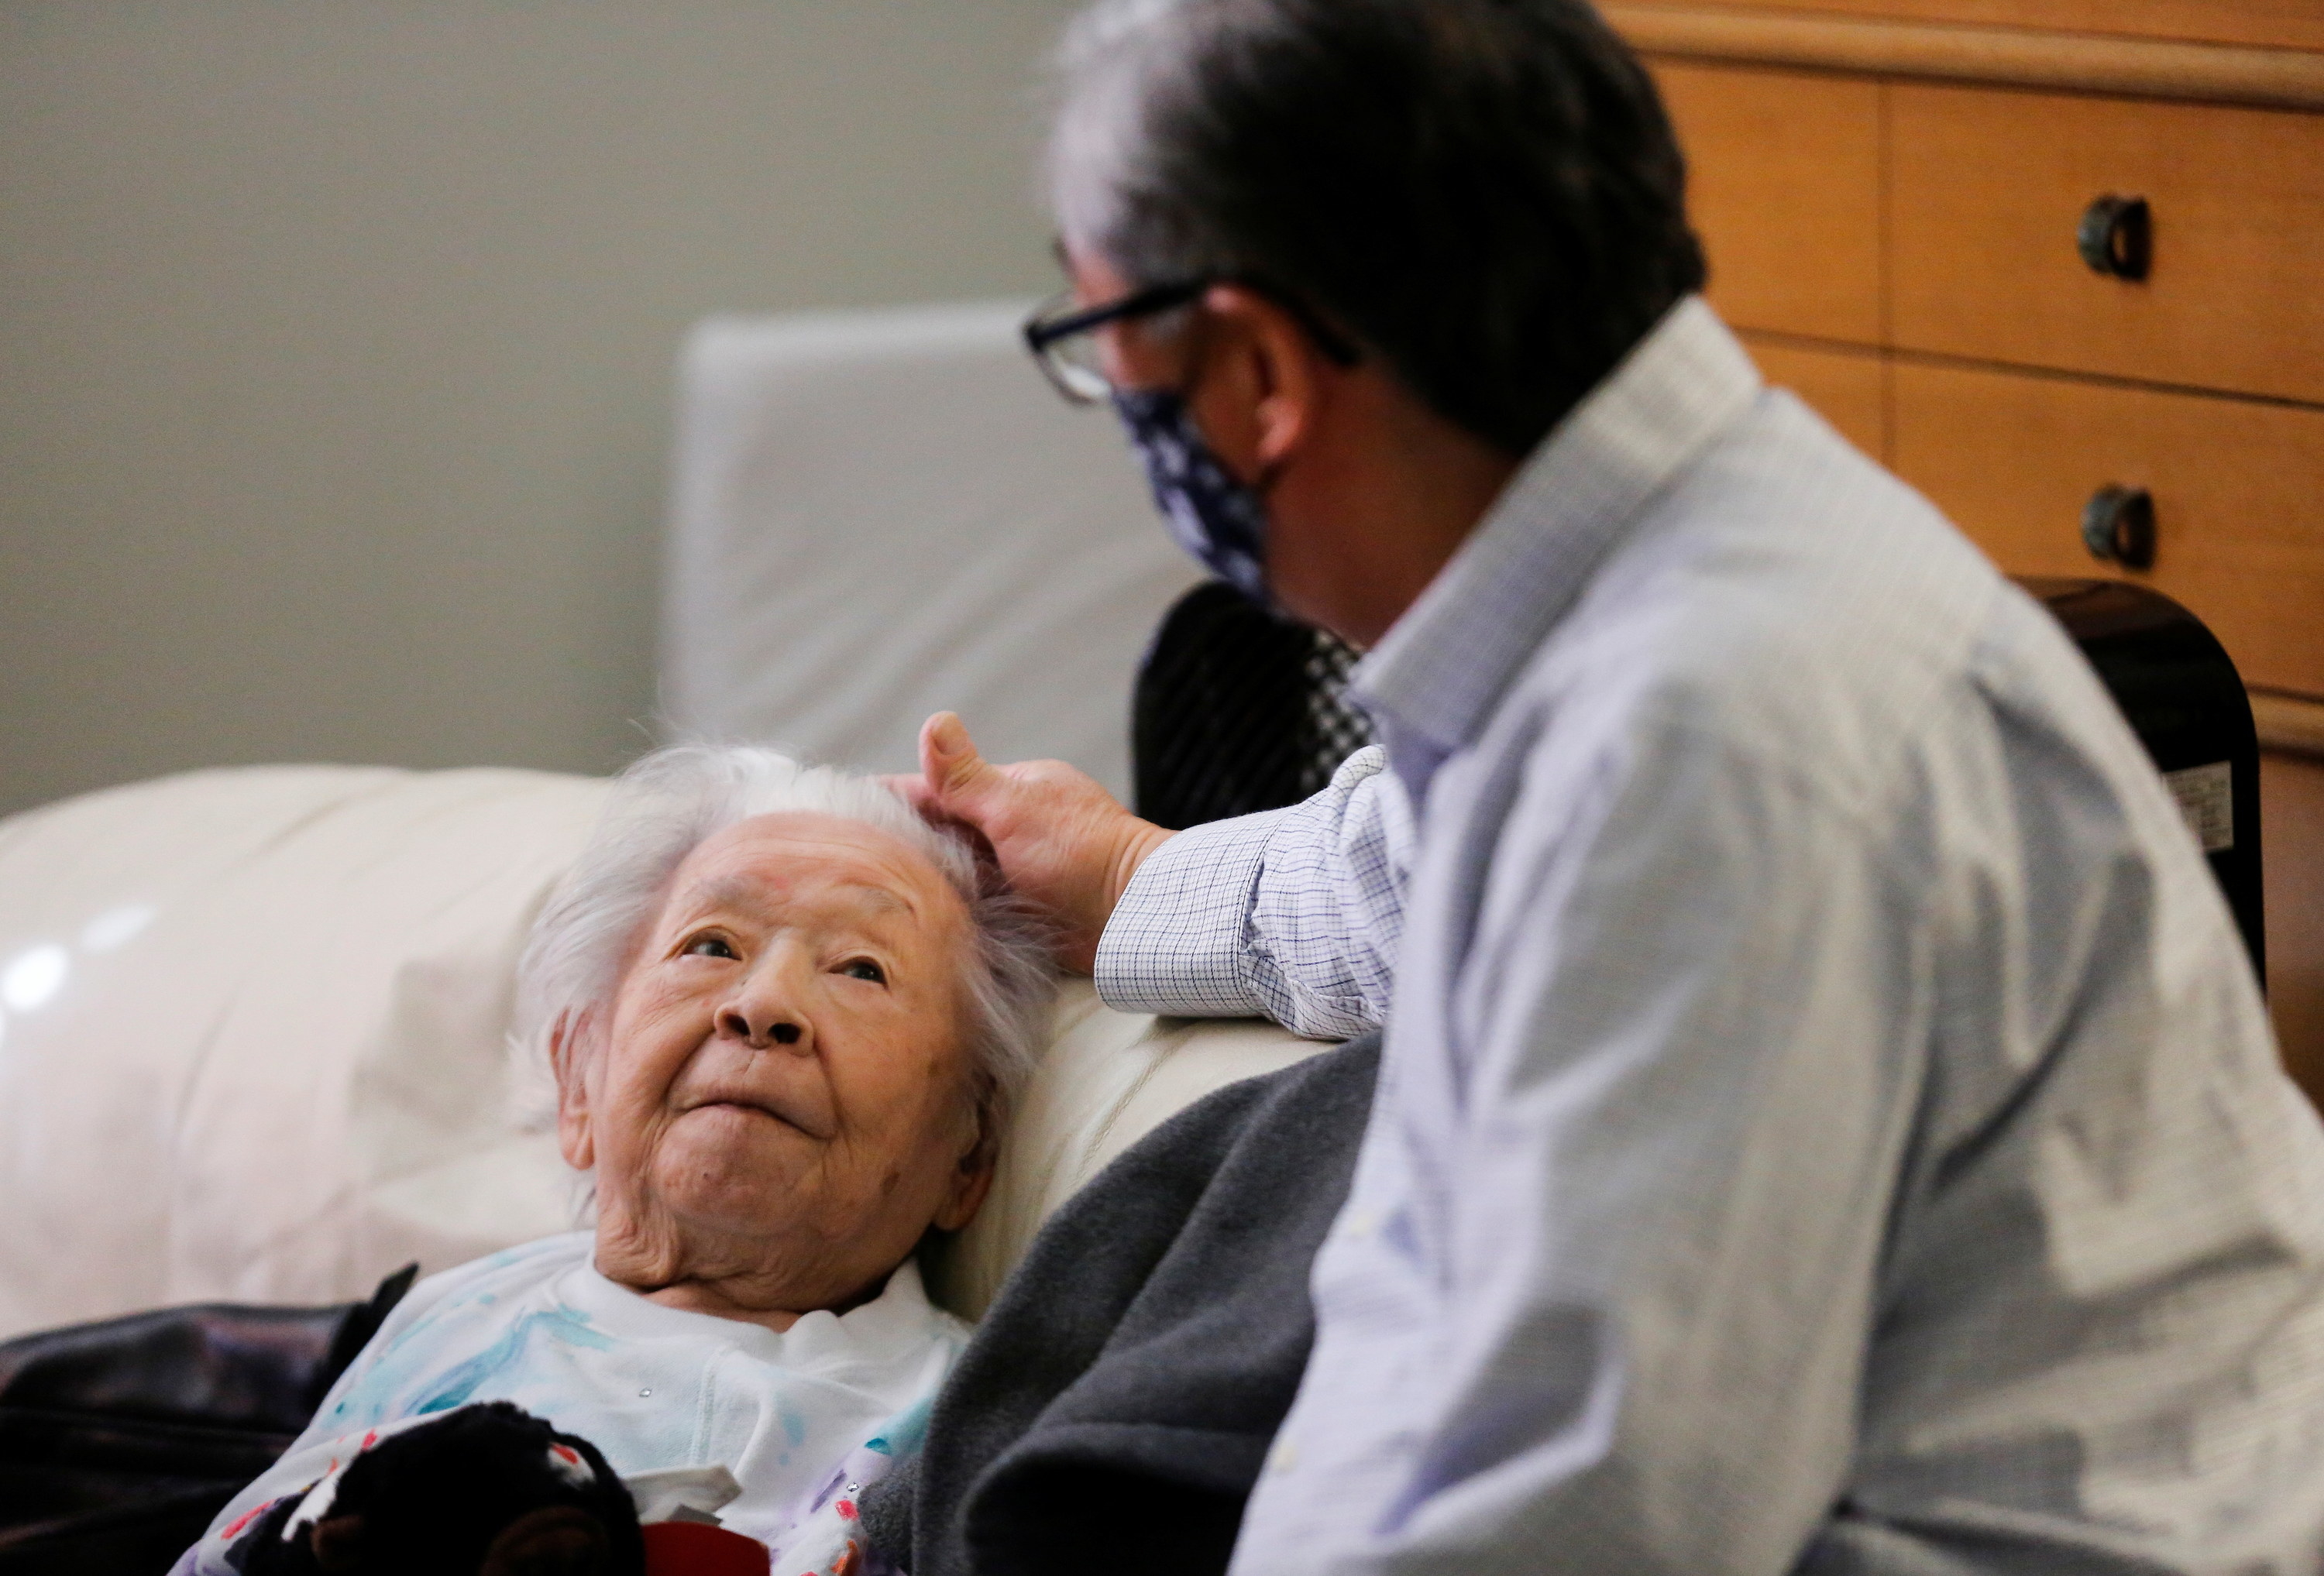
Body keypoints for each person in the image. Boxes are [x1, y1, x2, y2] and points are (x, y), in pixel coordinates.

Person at [898, 0, 2324, 1571]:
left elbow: (1545, 1527)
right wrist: (1119, 883)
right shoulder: (1650, 590)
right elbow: (1422, 872)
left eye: (1108, 352)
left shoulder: (1711, 756)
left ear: (1258, 374)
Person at [177, 746, 1051, 1574]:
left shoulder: (969, 1427)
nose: (762, 1003)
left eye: (862, 969)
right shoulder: (456, 1317)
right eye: (712, 945)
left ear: (967, 1154)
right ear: (579, 1083)